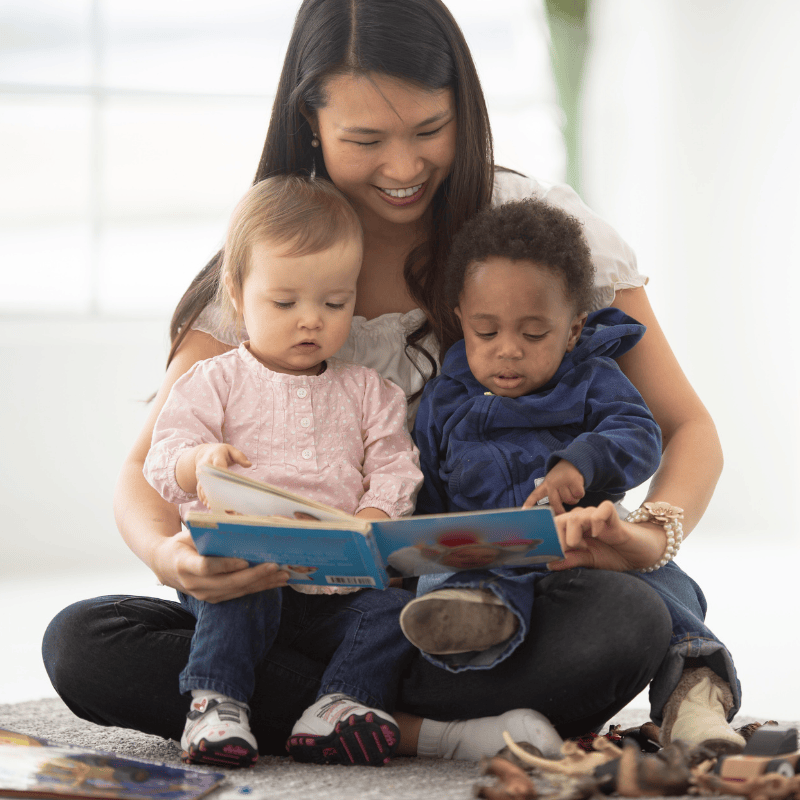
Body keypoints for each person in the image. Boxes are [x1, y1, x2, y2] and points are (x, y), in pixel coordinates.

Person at [42, 0, 743, 764]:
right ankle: (410, 728)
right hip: (295, 607)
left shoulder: (534, 230)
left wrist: (653, 533)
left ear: (464, 108)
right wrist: (168, 559)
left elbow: (687, 427)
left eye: (429, 130)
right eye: (366, 140)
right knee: (85, 643)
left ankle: (317, 705)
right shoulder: (276, 256)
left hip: (474, 607)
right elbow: (143, 470)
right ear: (310, 121)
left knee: (624, 620)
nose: (404, 168)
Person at [142, 175, 424, 767]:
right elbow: (162, 458)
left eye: (335, 303)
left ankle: (338, 706)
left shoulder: (369, 391)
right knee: (234, 597)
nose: (311, 321)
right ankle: (216, 704)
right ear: (236, 294)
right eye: (285, 303)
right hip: (243, 577)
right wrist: (198, 463)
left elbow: (396, 466)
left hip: (337, 590)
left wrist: (372, 518)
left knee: (393, 613)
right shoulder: (214, 381)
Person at [400, 197, 664, 669]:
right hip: (482, 554)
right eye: (486, 332)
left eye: (534, 334)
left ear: (573, 330)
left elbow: (640, 434)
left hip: (578, 548)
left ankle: (695, 664)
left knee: (663, 582)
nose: (508, 351)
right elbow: (428, 492)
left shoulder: (592, 379)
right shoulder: (445, 399)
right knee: (440, 589)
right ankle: (473, 649)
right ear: (461, 320)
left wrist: (580, 462)